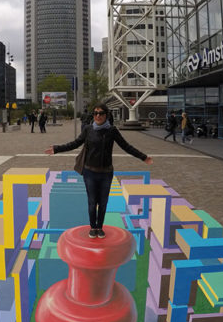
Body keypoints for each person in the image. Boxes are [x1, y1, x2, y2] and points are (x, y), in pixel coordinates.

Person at [45, 102, 153, 239]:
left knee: (103, 202)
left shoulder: (112, 131)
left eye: (101, 113)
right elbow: (74, 144)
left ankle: (100, 227)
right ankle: (93, 227)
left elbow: (126, 146)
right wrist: (56, 149)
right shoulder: (88, 130)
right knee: (92, 202)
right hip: (90, 172)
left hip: (106, 173)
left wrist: (143, 157)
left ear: (106, 115)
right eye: (95, 113)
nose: (98, 116)